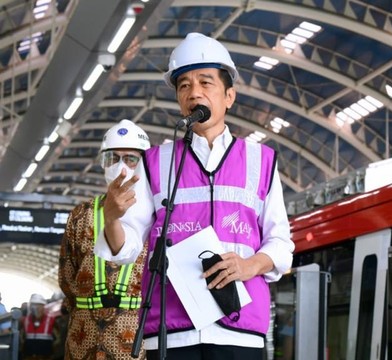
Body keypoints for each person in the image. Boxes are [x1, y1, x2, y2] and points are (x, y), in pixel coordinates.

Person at [94, 32, 294, 359]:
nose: (194, 93)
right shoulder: (156, 162)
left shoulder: (262, 161)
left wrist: (248, 266)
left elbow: (281, 243)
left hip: (240, 329)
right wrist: (113, 217)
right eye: (184, 85)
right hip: (172, 331)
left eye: (205, 82)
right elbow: (127, 246)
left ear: (229, 96)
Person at [58, 119, 150, 359]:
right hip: (83, 337)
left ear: (145, 164)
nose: (121, 166)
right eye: (113, 158)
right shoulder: (81, 214)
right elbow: (67, 277)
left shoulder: (158, 215)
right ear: (102, 163)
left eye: (131, 158)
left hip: (136, 338)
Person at [20, 293, 56, 360]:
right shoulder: (24, 320)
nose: (36, 308)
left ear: (43, 306)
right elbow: (21, 339)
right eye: (34, 305)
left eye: (39, 305)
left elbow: (58, 340)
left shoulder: (52, 320)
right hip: (29, 357)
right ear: (30, 307)